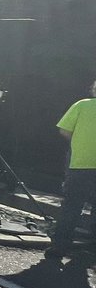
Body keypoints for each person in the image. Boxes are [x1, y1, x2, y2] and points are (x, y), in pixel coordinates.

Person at [46, 80, 96, 259]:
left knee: (71, 206)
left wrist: (80, 142)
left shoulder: (81, 105)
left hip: (80, 164)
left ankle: (60, 246)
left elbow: (64, 130)